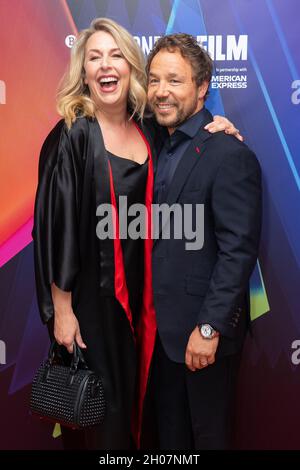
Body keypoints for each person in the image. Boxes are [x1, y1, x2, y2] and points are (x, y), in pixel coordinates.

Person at [32, 18, 242, 450]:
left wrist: (218, 125)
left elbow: (190, 140)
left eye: (115, 56)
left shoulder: (146, 128)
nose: (106, 66)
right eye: (94, 58)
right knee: (102, 422)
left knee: (138, 417)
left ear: (130, 67)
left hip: (143, 302)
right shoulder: (72, 135)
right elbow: (54, 229)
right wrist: (63, 312)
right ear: (83, 71)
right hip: (92, 303)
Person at [147, 33, 262, 450]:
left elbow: (238, 251)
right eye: (155, 80)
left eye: (175, 81)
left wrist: (209, 327)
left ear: (202, 87)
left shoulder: (230, 155)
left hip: (201, 335)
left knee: (205, 440)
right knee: (167, 441)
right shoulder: (154, 140)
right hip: (158, 335)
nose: (162, 91)